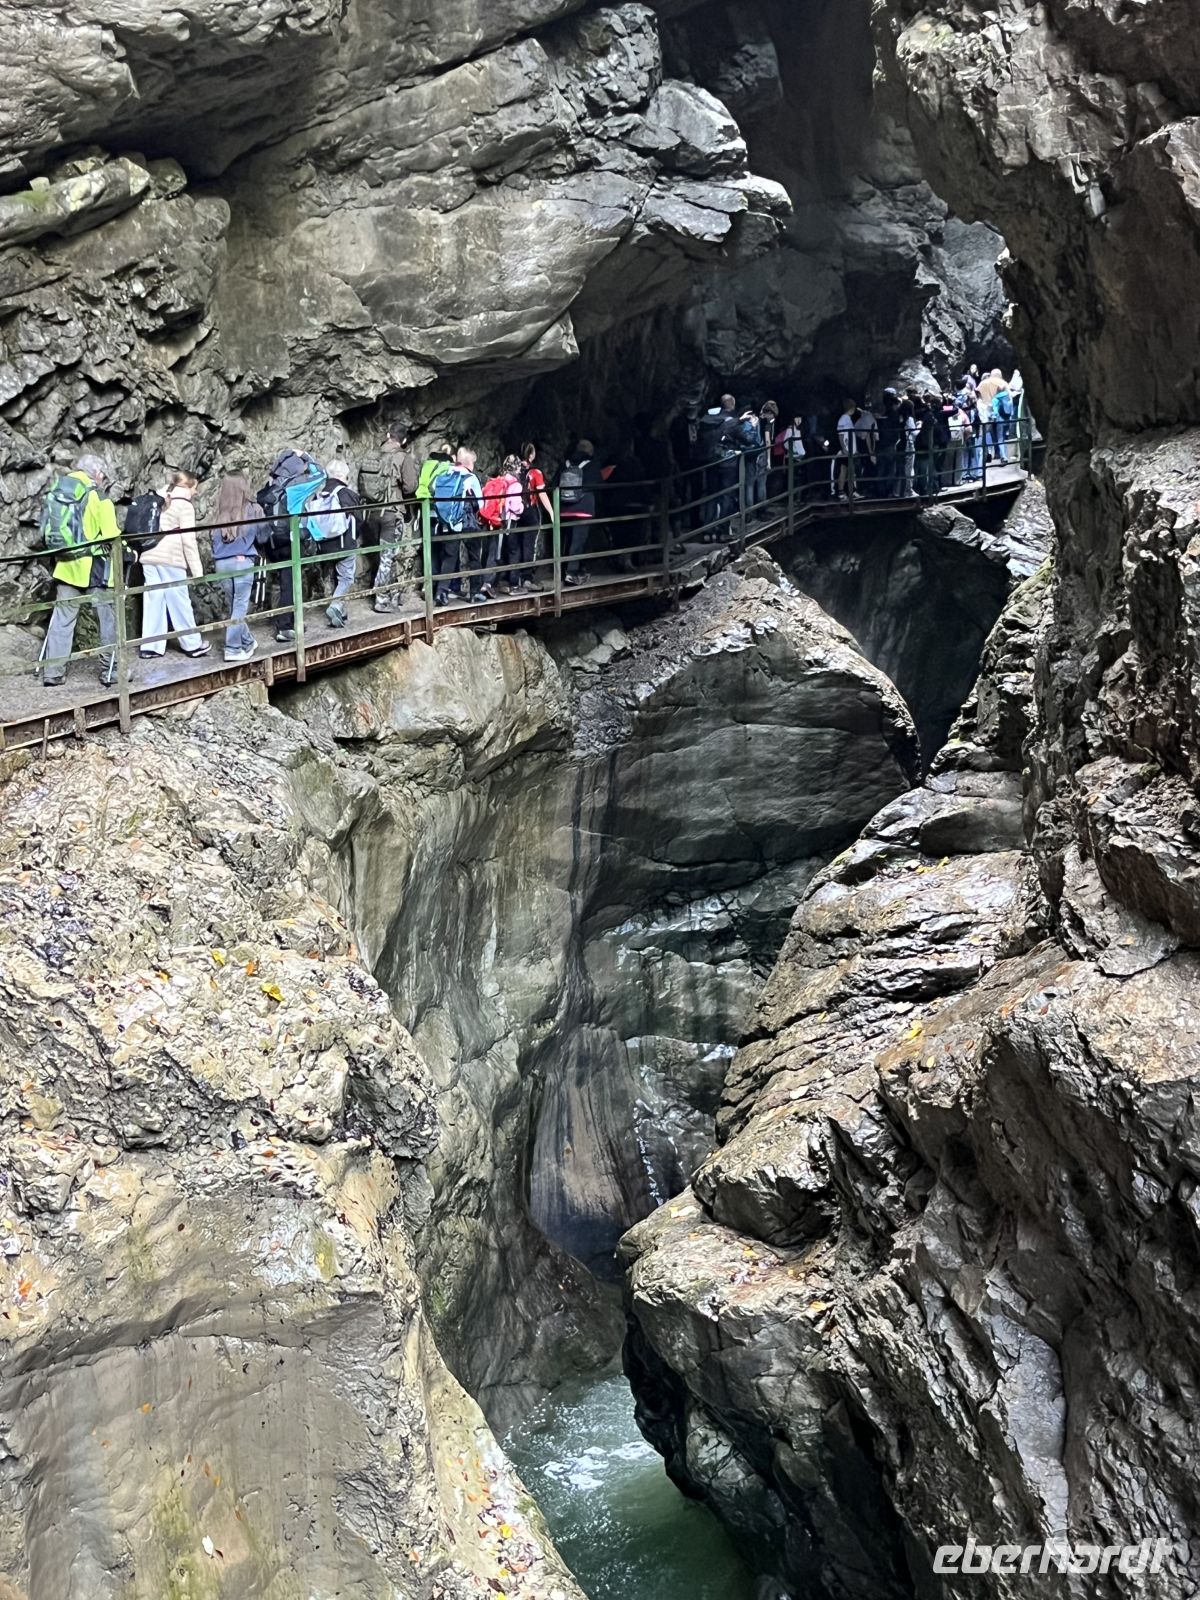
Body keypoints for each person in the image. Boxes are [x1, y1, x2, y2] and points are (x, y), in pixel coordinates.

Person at [39, 453, 124, 688]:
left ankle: (52, 672)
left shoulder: (58, 491)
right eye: (103, 476)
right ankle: (111, 671)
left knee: (62, 620)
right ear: (97, 474)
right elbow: (110, 535)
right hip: (96, 568)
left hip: (66, 566)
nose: (103, 480)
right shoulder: (97, 496)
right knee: (107, 619)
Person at [138, 470, 210, 660]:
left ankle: (151, 647)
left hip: (148, 555)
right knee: (179, 601)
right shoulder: (184, 505)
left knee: (154, 599)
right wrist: (197, 570)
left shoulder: (159, 498)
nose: (195, 493)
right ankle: (192, 644)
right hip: (171, 557)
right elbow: (188, 540)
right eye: (195, 488)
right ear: (188, 486)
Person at [359, 421, 419, 612]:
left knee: (384, 555)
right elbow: (411, 486)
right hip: (391, 513)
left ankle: (392, 593)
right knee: (388, 556)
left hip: (371, 512)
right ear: (404, 440)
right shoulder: (403, 457)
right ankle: (382, 599)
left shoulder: (372, 454)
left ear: (387, 435)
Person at [209, 472, 261, 662]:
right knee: (239, 607)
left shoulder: (217, 513)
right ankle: (232, 648)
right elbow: (261, 535)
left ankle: (248, 642)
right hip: (242, 562)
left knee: (234, 607)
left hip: (221, 564)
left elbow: (212, 540)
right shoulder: (252, 509)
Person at [306, 459, 361, 627]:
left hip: (324, 545)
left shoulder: (320, 494)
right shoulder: (346, 494)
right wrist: (354, 538)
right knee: (346, 578)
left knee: (335, 576)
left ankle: (340, 612)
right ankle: (336, 605)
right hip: (344, 543)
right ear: (341, 475)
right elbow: (358, 519)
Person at [431, 448, 483, 605]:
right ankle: (474, 593)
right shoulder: (471, 478)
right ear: (468, 462)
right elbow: (481, 503)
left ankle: (441, 593)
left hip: (448, 522)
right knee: (474, 557)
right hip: (466, 523)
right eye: (473, 462)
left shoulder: (443, 474)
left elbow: (434, 491)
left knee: (449, 557)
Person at [559, 440, 606, 583]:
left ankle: (563, 571)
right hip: (583, 508)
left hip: (565, 507)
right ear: (590, 451)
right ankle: (572, 573)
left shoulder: (566, 463)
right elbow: (598, 484)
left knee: (567, 541)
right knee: (579, 542)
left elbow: (555, 483)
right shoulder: (592, 464)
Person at [514, 443, 553, 592]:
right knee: (530, 544)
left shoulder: (514, 471)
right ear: (531, 455)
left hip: (516, 511)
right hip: (531, 510)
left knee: (517, 544)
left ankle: (514, 577)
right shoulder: (535, 472)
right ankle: (527, 578)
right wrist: (551, 511)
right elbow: (541, 494)